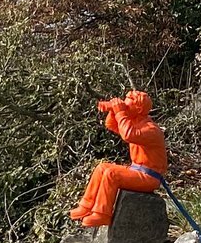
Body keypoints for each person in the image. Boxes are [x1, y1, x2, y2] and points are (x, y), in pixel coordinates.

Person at [71, 90, 168, 229]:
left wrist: (120, 112)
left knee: (112, 175)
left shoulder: (151, 129)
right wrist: (113, 111)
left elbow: (128, 134)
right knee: (102, 168)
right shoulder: (135, 122)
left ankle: (102, 214)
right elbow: (112, 125)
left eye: (130, 102)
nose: (125, 104)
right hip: (137, 170)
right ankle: (86, 206)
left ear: (139, 108)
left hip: (149, 176)